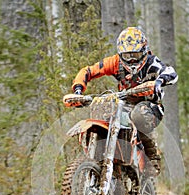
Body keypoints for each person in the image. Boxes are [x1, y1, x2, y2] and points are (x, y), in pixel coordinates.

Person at [70, 27, 178, 174]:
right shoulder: (115, 62)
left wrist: (159, 82)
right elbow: (88, 71)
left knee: (138, 114)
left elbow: (170, 72)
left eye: (136, 54)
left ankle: (151, 155)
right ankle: (101, 156)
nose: (132, 59)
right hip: (124, 102)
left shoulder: (151, 62)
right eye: (128, 56)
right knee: (103, 112)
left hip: (149, 105)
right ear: (121, 55)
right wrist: (78, 90)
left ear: (144, 51)